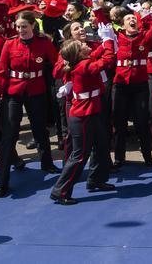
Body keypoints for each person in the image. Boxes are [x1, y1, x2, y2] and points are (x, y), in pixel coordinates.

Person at [50, 34, 116, 205]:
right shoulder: (84, 65)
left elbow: (97, 54)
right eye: (82, 45)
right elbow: (107, 60)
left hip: (92, 111)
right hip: (83, 115)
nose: (86, 45)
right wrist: (108, 41)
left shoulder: (81, 61)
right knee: (79, 155)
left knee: (102, 146)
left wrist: (106, 40)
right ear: (79, 53)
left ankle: (96, 180)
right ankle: (60, 190)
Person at [0, 10, 60, 174]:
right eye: (18, 27)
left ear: (32, 25)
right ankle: (7, 162)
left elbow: (56, 62)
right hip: (13, 90)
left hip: (36, 89)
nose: (20, 30)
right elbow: (1, 70)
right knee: (11, 129)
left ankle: (47, 163)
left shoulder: (43, 43)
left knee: (39, 128)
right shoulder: (10, 43)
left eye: (24, 26)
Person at [109, 8, 152, 168]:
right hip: (120, 85)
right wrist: (97, 6)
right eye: (128, 18)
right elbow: (104, 23)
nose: (131, 20)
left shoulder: (144, 37)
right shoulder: (117, 37)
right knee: (119, 122)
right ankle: (119, 158)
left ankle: (147, 156)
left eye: (133, 18)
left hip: (140, 85)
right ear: (122, 24)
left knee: (141, 122)